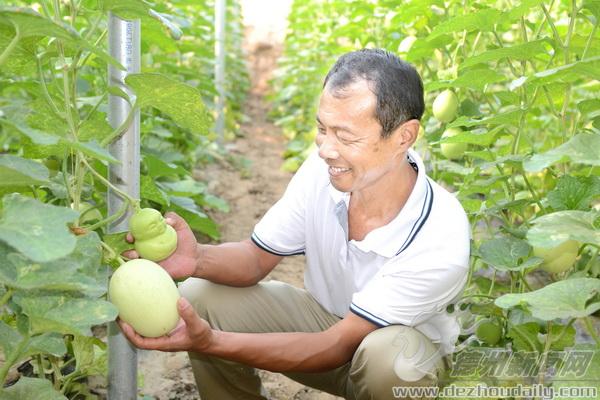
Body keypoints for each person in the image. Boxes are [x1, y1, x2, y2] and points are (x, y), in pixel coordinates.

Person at [119, 48, 470, 400]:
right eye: (322, 129)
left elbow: (335, 346)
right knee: (200, 295)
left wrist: (211, 341)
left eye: (345, 137)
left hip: (395, 365)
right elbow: (255, 260)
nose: (326, 149)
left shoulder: (440, 234)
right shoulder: (326, 172)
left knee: (389, 360)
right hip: (325, 325)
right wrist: (196, 258)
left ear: (404, 137)